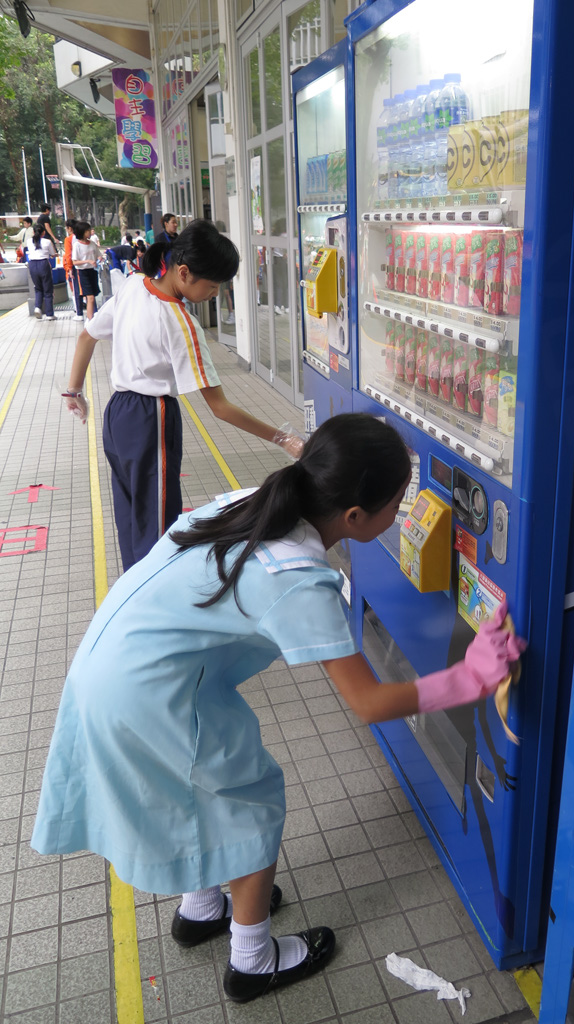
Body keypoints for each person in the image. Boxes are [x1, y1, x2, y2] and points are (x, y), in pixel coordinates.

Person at [31, 412, 525, 1005]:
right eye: (400, 503)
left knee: (205, 792)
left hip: (114, 666)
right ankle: (252, 962)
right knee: (252, 805)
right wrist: (470, 676)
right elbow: (368, 702)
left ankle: (202, 908)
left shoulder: (254, 501)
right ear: (354, 517)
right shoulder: (297, 577)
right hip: (149, 695)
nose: (405, 514)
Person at [61, 219, 305, 572]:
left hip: (117, 414)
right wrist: (283, 439)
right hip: (151, 419)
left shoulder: (133, 286)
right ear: (185, 272)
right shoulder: (182, 324)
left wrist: (74, 392)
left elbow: (87, 336)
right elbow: (220, 408)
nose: (215, 293)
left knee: (131, 514)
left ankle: (133, 585)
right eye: (213, 285)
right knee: (157, 526)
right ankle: (153, 591)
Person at [71, 220, 103, 322]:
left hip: (92, 271)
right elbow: (75, 262)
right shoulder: (77, 245)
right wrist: (88, 261)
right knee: (90, 297)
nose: (90, 232)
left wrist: (100, 258)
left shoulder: (92, 244)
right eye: (88, 230)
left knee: (93, 296)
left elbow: (98, 255)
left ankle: (91, 319)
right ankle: (90, 320)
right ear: (82, 232)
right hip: (83, 273)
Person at [28, 223, 57, 320]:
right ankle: (49, 314)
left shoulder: (29, 241)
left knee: (38, 287)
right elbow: (52, 254)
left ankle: (37, 307)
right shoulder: (47, 241)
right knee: (48, 289)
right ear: (44, 232)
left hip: (32, 265)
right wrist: (55, 255)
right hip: (43, 264)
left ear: (33, 232)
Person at [62, 220, 84, 322]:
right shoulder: (83, 237)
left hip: (76, 267)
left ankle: (79, 313)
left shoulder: (69, 239)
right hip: (87, 265)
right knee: (89, 291)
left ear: (70, 228)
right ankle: (94, 312)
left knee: (76, 289)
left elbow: (68, 255)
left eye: (66, 228)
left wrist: (69, 268)